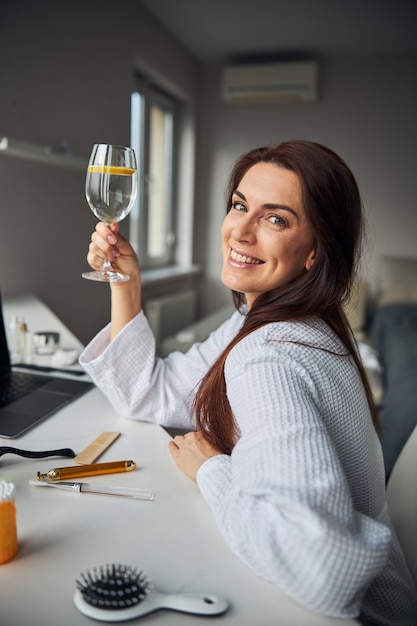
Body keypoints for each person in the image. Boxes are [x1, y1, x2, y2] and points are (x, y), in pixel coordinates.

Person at [79, 140, 417, 624]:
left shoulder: (270, 355)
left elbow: (325, 569)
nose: (241, 230)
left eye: (275, 219)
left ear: (315, 252)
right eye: (240, 205)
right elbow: (148, 393)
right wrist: (125, 285)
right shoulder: (267, 323)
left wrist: (213, 470)